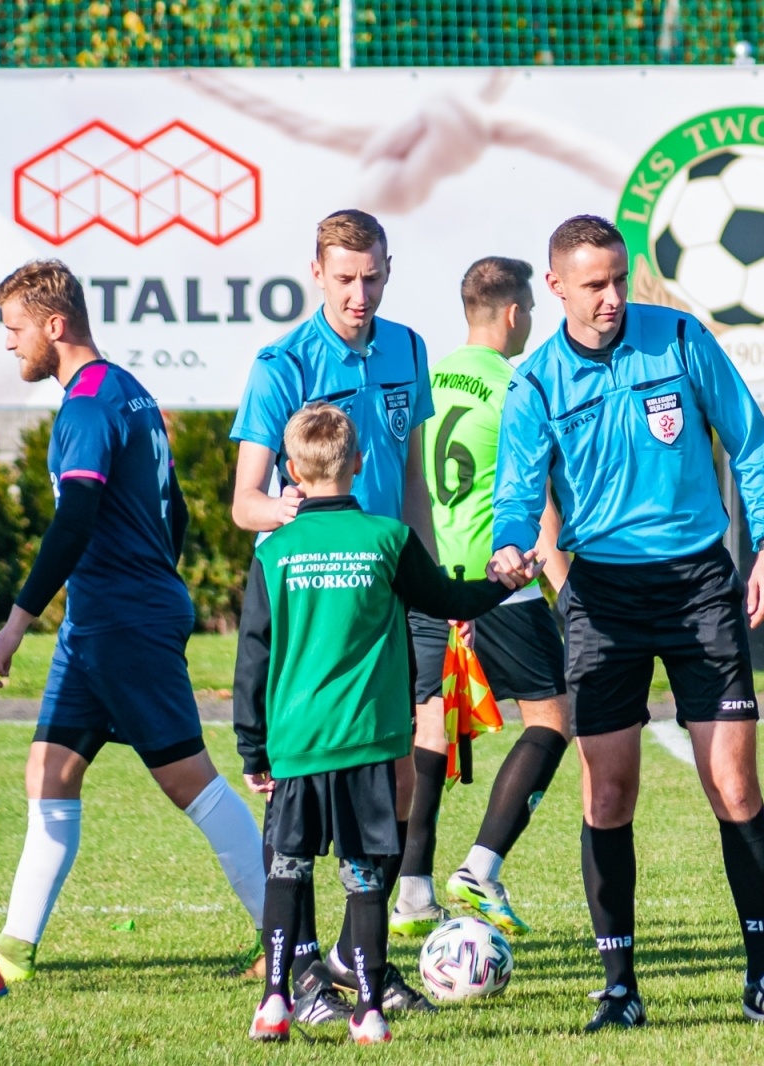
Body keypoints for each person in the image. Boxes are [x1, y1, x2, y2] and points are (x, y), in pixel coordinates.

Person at [489, 214, 764, 1030]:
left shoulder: (679, 340)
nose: (611, 298)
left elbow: (750, 442)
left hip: (700, 585)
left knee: (734, 785)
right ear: (555, 287)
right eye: (592, 285)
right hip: (603, 597)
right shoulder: (535, 386)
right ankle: (620, 989)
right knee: (608, 793)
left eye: (618, 279)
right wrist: (509, 549)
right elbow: (518, 495)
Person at [0, 260, 266, 982]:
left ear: (54, 325)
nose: (9, 343)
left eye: (15, 328)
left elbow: (74, 518)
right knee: (50, 771)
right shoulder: (127, 391)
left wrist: (16, 622)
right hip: (102, 619)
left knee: (190, 780)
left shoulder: (87, 407)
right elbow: (177, 511)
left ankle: (285, 936)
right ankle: (12, 954)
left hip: (121, 621)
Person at [236, 404, 524, 1045]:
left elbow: (252, 654)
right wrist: (504, 583)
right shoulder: (388, 539)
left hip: (297, 741)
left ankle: (275, 999)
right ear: (361, 463)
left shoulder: (274, 551)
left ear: (292, 473)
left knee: (288, 868)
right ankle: (368, 1009)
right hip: (370, 738)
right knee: (364, 874)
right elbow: (448, 602)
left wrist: (252, 747)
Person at [229, 209, 438, 1019]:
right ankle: (304, 970)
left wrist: (427, 580)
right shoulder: (281, 364)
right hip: (316, 598)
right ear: (316, 272)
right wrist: (293, 517)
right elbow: (245, 501)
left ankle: (357, 953)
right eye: (345, 278)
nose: (360, 293)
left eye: (372, 276)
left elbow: (411, 480)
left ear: (388, 270)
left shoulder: (408, 348)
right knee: (301, 784)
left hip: (386, 590)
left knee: (401, 772)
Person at [393, 256, 572, 939]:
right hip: (498, 581)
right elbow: (537, 503)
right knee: (552, 719)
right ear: (515, 312)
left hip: (428, 579)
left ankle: (412, 891)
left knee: (430, 726)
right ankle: (481, 866)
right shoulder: (517, 385)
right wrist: (568, 593)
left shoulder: (430, 377)